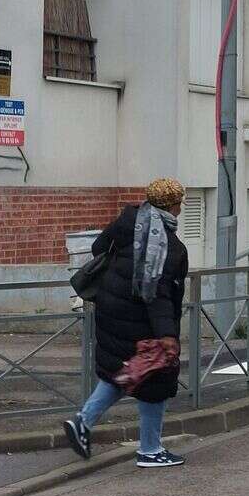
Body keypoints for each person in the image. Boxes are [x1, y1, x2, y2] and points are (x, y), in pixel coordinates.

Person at [63, 177, 189, 468]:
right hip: (141, 321)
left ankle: (82, 422)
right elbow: (158, 292)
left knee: (122, 372)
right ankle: (150, 449)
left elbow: (98, 247)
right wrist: (167, 334)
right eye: (179, 201)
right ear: (172, 204)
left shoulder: (129, 219)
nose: (180, 206)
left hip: (109, 309)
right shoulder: (170, 246)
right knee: (154, 378)